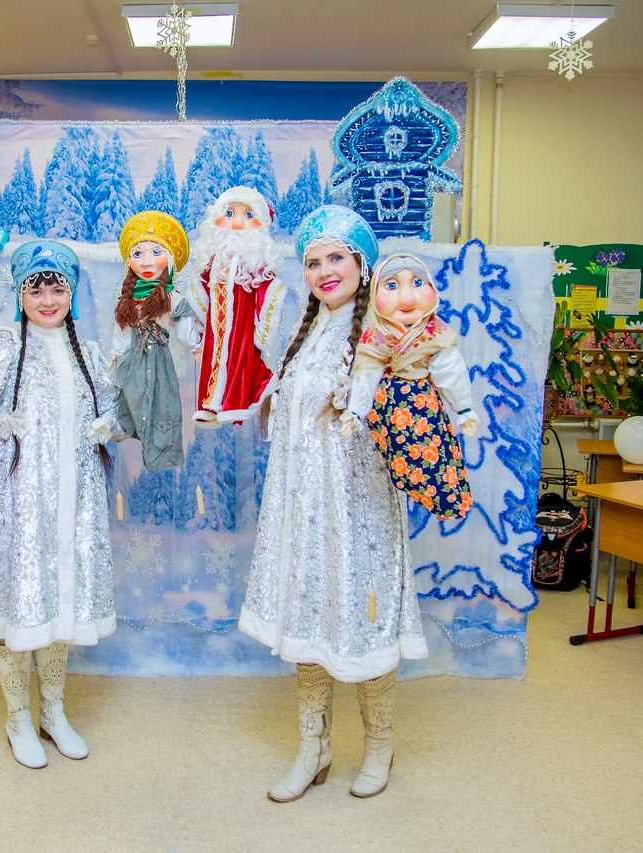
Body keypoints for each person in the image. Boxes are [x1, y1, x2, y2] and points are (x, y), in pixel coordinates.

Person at [238, 205, 427, 802]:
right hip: (305, 512)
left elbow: (410, 417)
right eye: (313, 262)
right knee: (308, 622)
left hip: (360, 512)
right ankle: (313, 745)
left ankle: (379, 745)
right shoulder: (307, 334)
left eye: (336, 258)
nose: (324, 271)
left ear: (362, 265)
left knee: (366, 623)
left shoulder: (386, 330)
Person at [0, 239, 123, 769]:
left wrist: (108, 423)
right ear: (20, 295)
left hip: (73, 502)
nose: (48, 300)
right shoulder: (4, 346)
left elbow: (114, 414)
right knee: (16, 602)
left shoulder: (87, 352)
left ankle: (53, 711)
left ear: (72, 293)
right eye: (36, 290)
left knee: (58, 602)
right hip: (17, 501)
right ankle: (17, 718)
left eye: (58, 289)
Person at [350, 252, 476, 520]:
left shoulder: (435, 333)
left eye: (418, 283)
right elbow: (366, 373)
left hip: (423, 406)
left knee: (433, 456)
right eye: (391, 285)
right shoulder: (376, 335)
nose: (407, 298)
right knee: (395, 463)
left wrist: (464, 408)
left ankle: (446, 498)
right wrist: (355, 411)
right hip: (386, 410)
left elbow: (450, 371)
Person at [186, 186, 288, 426]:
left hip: (242, 329)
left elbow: (269, 291)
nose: (238, 223)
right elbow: (200, 290)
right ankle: (211, 405)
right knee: (214, 360)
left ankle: (237, 404)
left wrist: (260, 331)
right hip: (216, 327)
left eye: (248, 215)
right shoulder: (216, 261)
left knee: (241, 363)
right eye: (230, 214)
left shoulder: (255, 263)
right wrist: (200, 333)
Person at [110, 210, 201, 471]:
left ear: (168, 261)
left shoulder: (171, 297)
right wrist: (116, 353)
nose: (146, 262)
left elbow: (183, 326)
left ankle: (161, 455)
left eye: (156, 252)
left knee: (162, 404)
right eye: (138, 254)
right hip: (133, 361)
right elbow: (123, 329)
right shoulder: (129, 299)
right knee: (131, 398)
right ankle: (124, 428)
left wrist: (195, 346)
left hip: (159, 361)